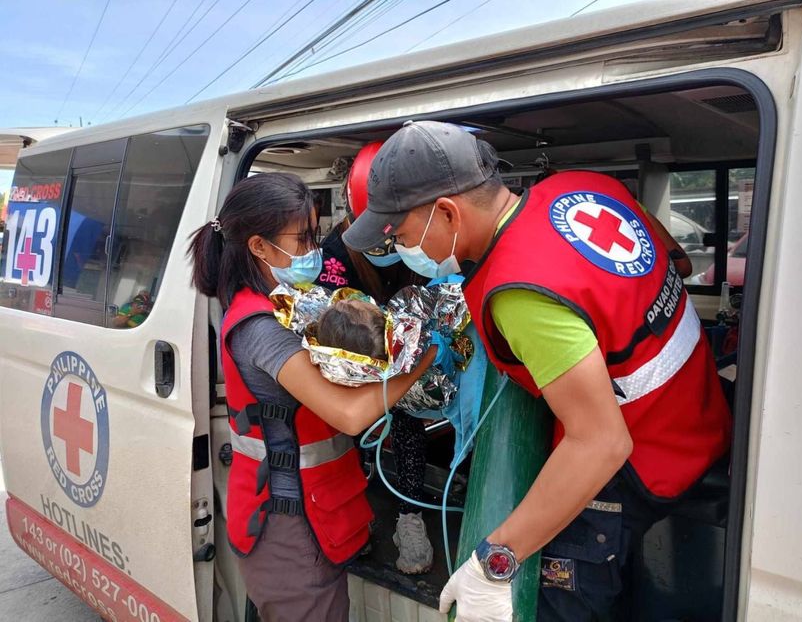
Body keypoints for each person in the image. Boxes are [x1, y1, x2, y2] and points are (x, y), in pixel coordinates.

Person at [343, 121, 732, 621]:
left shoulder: (519, 290)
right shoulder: (583, 187)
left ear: (446, 212)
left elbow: (601, 443)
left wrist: (494, 562)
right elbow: (674, 264)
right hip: (704, 417)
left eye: (399, 230)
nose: (397, 244)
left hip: (644, 462)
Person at [188, 172, 437, 622]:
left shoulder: (290, 302)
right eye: (301, 239)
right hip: (287, 524)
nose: (313, 252)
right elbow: (348, 414)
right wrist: (423, 360)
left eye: (315, 236)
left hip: (318, 511)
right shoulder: (259, 326)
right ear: (259, 247)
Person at [314, 142, 436, 575]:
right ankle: (355, 520)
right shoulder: (336, 253)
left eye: (397, 230)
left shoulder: (424, 240)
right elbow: (334, 322)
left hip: (410, 358)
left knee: (407, 427)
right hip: (356, 357)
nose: (392, 240)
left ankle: (409, 517)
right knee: (353, 438)